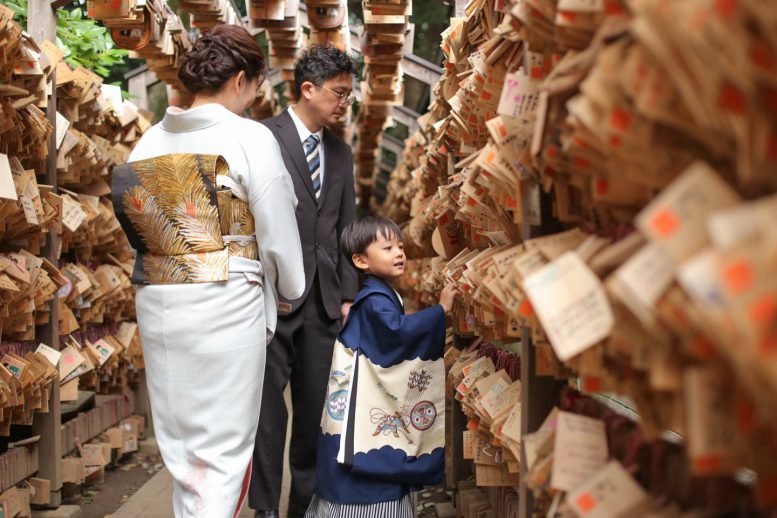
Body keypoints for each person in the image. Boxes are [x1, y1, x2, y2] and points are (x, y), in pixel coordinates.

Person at [113, 25, 305, 518]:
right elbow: (278, 230)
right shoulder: (249, 137)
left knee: (181, 451)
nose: (254, 99)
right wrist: (289, 287)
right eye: (256, 89)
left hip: (159, 300)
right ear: (241, 79)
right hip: (225, 298)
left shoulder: (150, 141)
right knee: (223, 451)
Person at [249, 45, 359, 518]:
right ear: (308, 89)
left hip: (323, 304)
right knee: (266, 415)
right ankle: (264, 509)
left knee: (317, 413)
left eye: (350, 96)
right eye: (338, 93)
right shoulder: (260, 138)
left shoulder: (340, 152)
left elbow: (344, 228)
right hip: (271, 299)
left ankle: (304, 506)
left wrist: (350, 295)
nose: (344, 104)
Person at [305, 215, 456, 518]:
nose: (399, 253)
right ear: (360, 260)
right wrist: (440, 311)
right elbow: (397, 334)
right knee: (370, 460)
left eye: (400, 246)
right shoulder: (375, 301)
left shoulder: (377, 295)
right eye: (387, 248)